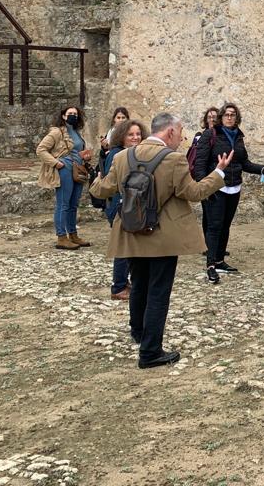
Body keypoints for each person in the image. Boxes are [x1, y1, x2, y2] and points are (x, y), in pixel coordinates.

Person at [90, 112, 232, 369]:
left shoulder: (122, 157)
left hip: (131, 232)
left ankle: (139, 333)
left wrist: (95, 178)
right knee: (158, 292)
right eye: (179, 134)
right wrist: (218, 173)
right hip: (163, 236)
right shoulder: (173, 159)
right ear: (169, 133)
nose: (181, 139)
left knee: (139, 285)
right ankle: (150, 351)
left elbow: (102, 189)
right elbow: (194, 192)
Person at [193, 102, 264, 283]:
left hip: (234, 187)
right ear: (221, 117)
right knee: (214, 226)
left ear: (237, 118)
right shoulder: (210, 134)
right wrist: (203, 187)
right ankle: (211, 265)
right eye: (227, 114)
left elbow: (244, 163)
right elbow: (200, 164)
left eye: (233, 115)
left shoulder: (238, 137)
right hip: (215, 187)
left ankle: (220, 260)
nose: (230, 117)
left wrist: (263, 169)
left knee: (225, 225)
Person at [36, 105, 94, 250]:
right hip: (65, 169)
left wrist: (84, 156)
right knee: (63, 204)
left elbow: (76, 150)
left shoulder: (76, 132)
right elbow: (41, 150)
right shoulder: (56, 132)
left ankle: (73, 235)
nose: (73, 115)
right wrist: (56, 164)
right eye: (70, 113)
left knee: (74, 204)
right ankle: (61, 237)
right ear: (63, 116)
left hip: (78, 169)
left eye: (75, 113)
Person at [103, 119, 149, 300]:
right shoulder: (116, 154)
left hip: (130, 206)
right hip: (119, 206)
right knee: (123, 248)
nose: (135, 137)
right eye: (131, 134)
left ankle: (124, 281)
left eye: (138, 134)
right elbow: (110, 183)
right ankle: (118, 287)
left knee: (129, 247)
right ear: (122, 136)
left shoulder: (132, 153)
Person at [193, 106, 220, 251]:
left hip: (218, 180)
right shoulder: (203, 136)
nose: (212, 120)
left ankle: (216, 246)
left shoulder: (221, 136)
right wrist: (201, 182)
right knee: (208, 215)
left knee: (217, 216)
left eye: (214, 117)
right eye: (209, 117)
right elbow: (199, 162)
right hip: (206, 180)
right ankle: (208, 246)